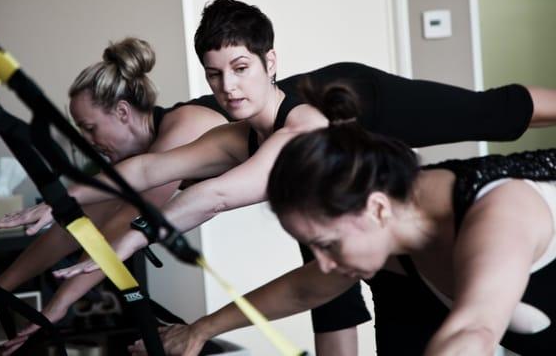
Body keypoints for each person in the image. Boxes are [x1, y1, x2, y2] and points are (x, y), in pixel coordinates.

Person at [50, 0, 556, 355]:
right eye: (215, 75)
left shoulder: (303, 125)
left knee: (491, 112)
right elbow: (149, 170)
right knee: (344, 285)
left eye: (242, 68)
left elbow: (218, 195)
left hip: (372, 106)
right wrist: (58, 199)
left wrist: (134, 239)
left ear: (270, 63)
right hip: (349, 190)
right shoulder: (240, 140)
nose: (228, 87)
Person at [125, 80, 556, 356]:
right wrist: (200, 330)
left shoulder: (500, 214)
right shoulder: (389, 233)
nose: (324, 262)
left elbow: (474, 332)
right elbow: (304, 288)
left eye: (328, 245)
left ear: (377, 209)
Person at [0, 37, 233, 354]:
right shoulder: (133, 164)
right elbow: (75, 226)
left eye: (90, 128)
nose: (88, 141)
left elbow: (126, 222)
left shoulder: (182, 128)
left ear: (121, 112)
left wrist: (57, 305)